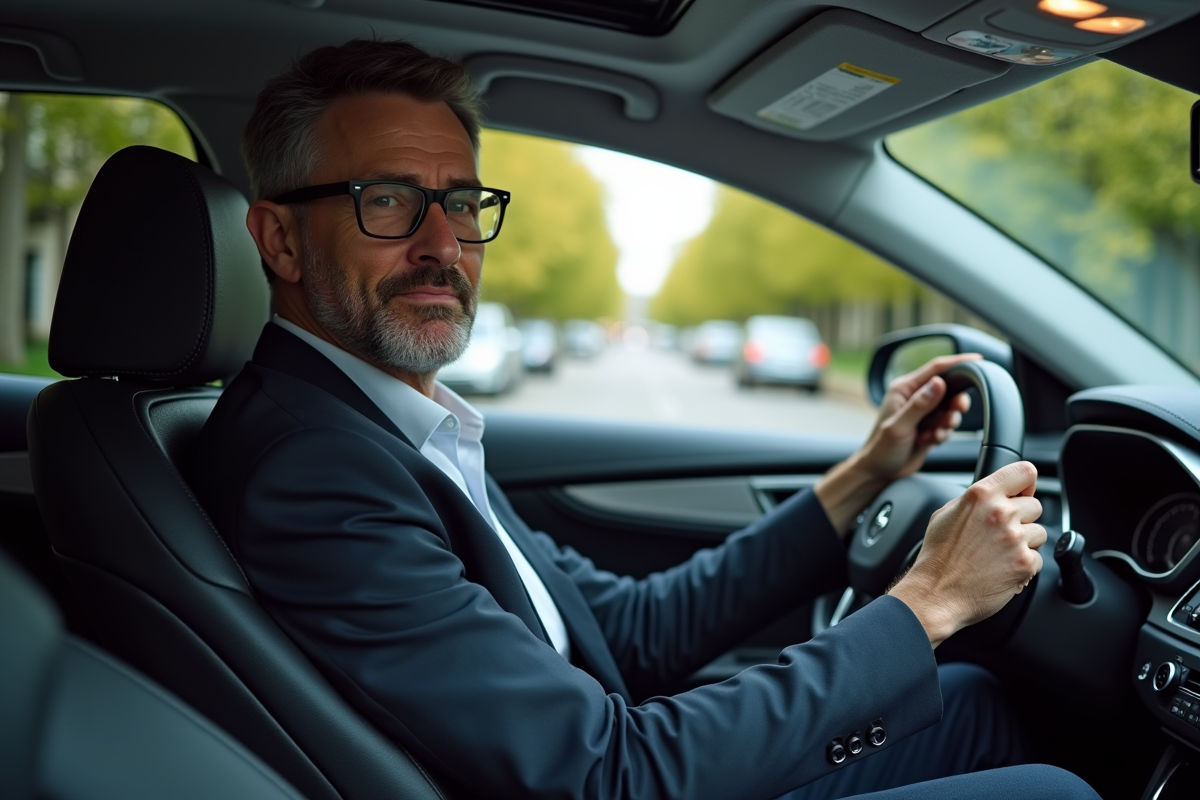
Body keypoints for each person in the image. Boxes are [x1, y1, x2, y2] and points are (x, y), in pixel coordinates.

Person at [193, 39, 1098, 800]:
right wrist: (930, 599)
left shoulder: (392, 428)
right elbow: (607, 772)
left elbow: (630, 631)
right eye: (386, 201)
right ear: (278, 239)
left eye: (462, 203)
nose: (443, 246)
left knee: (977, 699)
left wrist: (866, 473)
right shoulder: (314, 470)